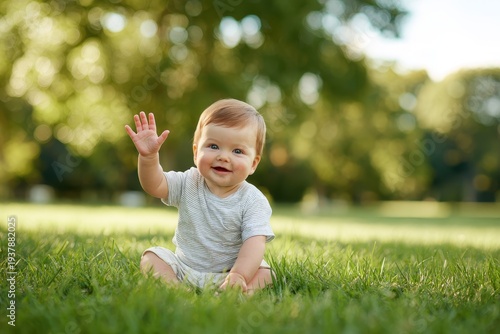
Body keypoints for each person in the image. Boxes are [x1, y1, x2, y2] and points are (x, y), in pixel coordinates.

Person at [125, 99, 275, 294]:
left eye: (237, 151)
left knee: (266, 273)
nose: (223, 157)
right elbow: (155, 185)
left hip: (229, 273)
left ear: (253, 163)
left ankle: (238, 294)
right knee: (151, 257)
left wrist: (239, 275)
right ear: (196, 152)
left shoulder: (253, 201)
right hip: (184, 269)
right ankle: (177, 290)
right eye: (213, 146)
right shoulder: (189, 181)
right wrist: (148, 158)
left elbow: (254, 244)